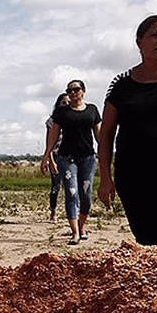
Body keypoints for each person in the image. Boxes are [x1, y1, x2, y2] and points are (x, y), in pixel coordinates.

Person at [98, 15, 157, 249]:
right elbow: (106, 134)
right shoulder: (121, 84)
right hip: (133, 174)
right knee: (145, 241)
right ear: (139, 41)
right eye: (155, 35)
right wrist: (105, 177)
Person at [43, 79, 101, 245]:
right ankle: (75, 232)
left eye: (76, 89)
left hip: (87, 158)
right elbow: (53, 136)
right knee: (71, 192)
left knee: (86, 195)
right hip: (67, 158)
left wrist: (105, 153)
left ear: (83, 91)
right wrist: (47, 156)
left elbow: (99, 135)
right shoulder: (62, 113)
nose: (72, 93)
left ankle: (82, 226)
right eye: (69, 91)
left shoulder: (92, 110)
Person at [43, 93, 69, 221]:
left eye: (68, 103)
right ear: (58, 104)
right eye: (64, 103)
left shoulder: (74, 118)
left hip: (70, 155)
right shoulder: (52, 121)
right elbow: (49, 143)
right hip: (56, 154)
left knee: (71, 186)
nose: (66, 105)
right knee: (56, 186)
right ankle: (53, 211)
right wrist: (50, 160)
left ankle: (72, 214)